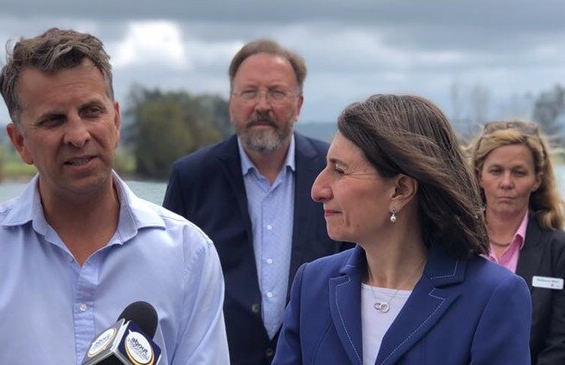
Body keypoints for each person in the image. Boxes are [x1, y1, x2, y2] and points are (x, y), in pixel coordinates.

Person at [0, 28, 229, 364]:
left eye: (91, 111)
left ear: (116, 121)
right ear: (19, 141)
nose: (78, 135)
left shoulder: (189, 254)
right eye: (54, 120)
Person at [272, 94, 532, 365]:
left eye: (339, 170)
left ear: (401, 189)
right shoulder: (313, 285)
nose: (317, 190)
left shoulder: (492, 296)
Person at [162, 39, 348, 364]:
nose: (262, 105)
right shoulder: (192, 178)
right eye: (249, 93)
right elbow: (168, 284)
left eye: (276, 93)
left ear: (299, 104)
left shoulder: (333, 173)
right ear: (231, 103)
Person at [470, 120, 565, 365]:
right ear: (480, 176)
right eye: (496, 171)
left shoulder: (558, 249)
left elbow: (560, 344)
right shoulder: (453, 241)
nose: (506, 183)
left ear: (537, 179)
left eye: (519, 172)